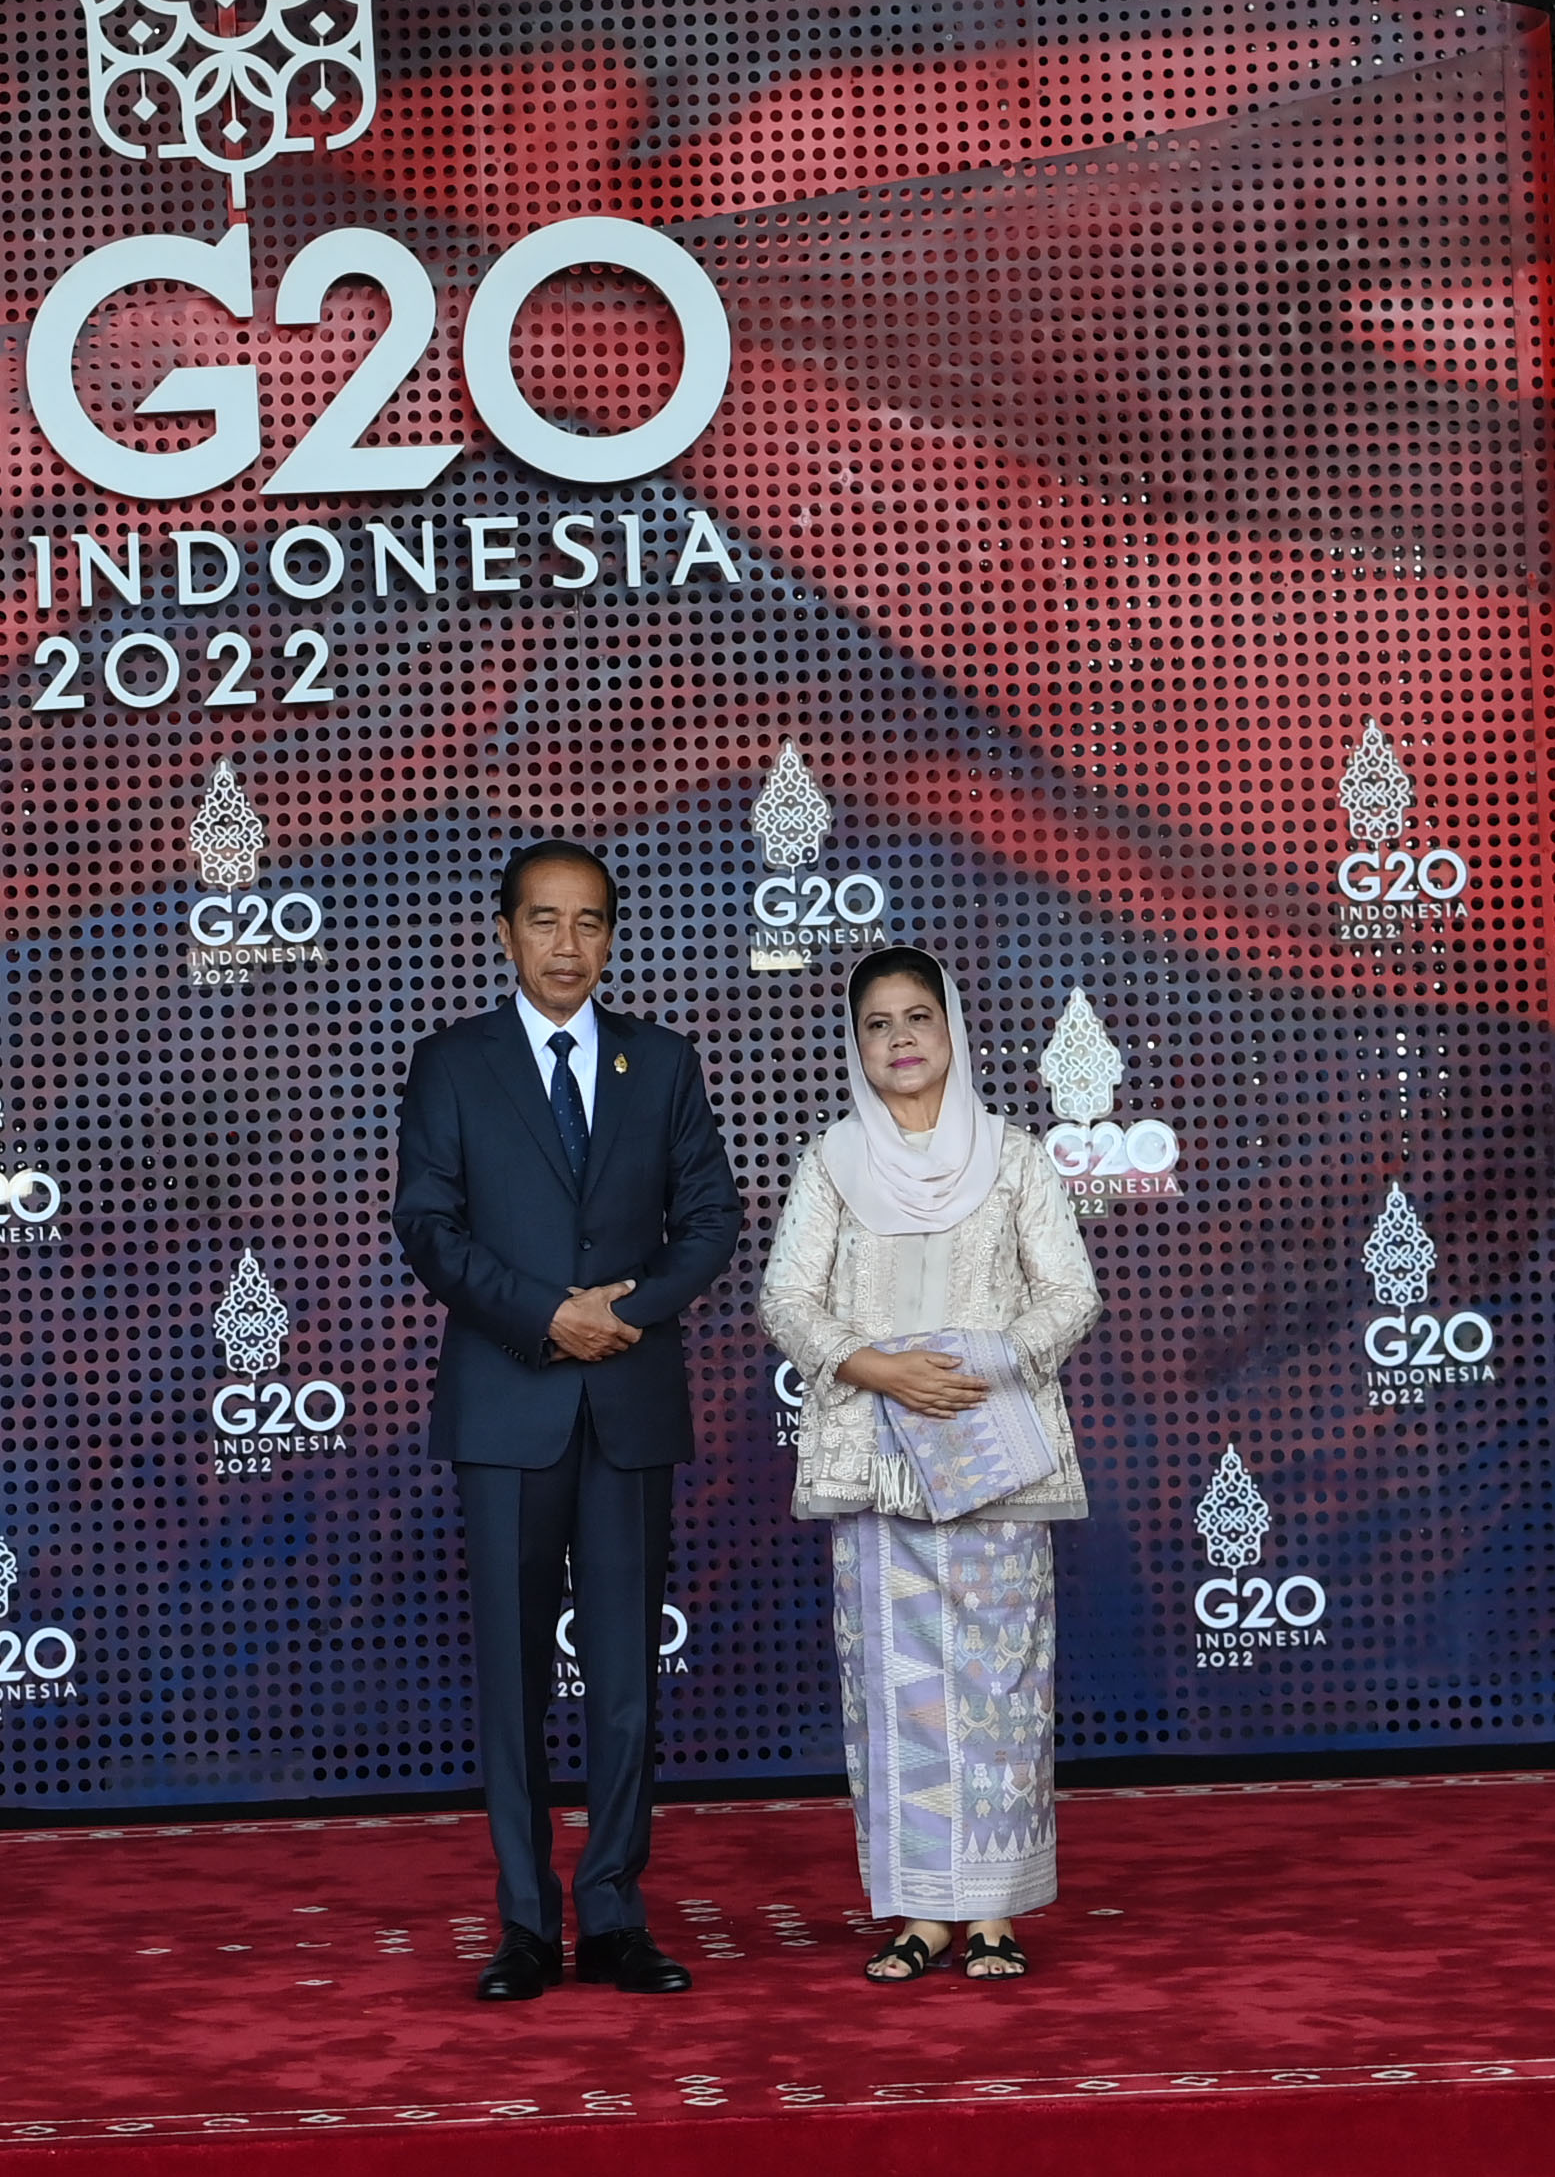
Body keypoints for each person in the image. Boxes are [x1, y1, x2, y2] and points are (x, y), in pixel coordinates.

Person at [394, 837, 745, 2000]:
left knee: (626, 1683)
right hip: (506, 1407)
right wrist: (549, 1315)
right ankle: (525, 1924)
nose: (565, 943)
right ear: (503, 931)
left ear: (611, 934)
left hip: (628, 1404)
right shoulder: (452, 1063)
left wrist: (623, 1314)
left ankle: (613, 1911)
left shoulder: (663, 1059)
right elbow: (429, 1228)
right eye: (543, 919)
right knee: (510, 1684)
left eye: (588, 921)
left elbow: (709, 1216)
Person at [755, 943, 1095, 1982]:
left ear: (950, 1027)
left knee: (998, 1679)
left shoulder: (1014, 1156)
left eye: (917, 1017)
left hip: (989, 1455)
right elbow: (784, 1299)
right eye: (876, 1023)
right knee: (897, 1687)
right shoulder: (831, 1162)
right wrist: (881, 1369)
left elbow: (1070, 1294)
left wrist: (970, 1362)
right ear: (854, 1044)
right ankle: (918, 1910)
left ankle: (991, 1912)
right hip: (874, 1457)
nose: (899, 1039)